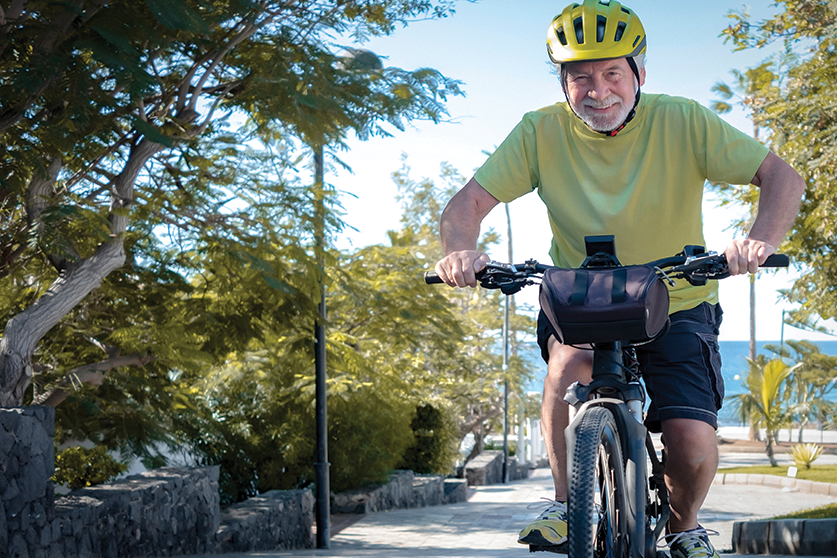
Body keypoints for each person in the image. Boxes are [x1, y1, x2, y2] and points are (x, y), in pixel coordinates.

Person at [433, 1, 806, 557]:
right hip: (582, 302)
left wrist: (760, 241)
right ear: (563, 84)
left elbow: (781, 177)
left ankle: (684, 527)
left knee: (690, 438)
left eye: (612, 73)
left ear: (640, 74)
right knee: (568, 365)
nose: (598, 91)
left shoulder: (682, 119)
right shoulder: (539, 131)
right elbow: (464, 207)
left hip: (678, 301)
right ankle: (566, 505)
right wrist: (461, 251)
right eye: (580, 77)